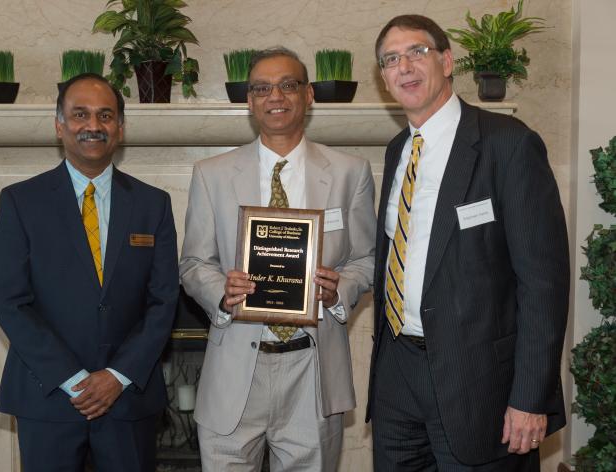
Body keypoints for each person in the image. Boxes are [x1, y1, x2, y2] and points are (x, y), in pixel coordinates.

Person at [366, 14, 570, 471]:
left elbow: (543, 283)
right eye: (391, 59)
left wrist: (530, 397)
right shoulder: (398, 150)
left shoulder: (508, 145)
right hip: (398, 375)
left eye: (417, 52)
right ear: (384, 78)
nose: (405, 67)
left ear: (446, 60)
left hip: (481, 386)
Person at [179, 47, 376, 471]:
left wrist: (339, 289)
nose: (276, 96)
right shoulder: (211, 174)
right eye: (262, 88)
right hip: (234, 368)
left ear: (308, 95)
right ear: (249, 101)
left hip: (314, 366)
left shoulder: (349, 172)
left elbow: (367, 257)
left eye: (288, 85)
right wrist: (223, 292)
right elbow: (194, 263)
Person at [0, 73, 179, 472]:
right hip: (48, 397)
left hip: (128, 399)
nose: (93, 126)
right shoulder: (20, 202)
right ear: (60, 125)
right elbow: (11, 303)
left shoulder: (153, 205)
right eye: (80, 114)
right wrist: (74, 378)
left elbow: (164, 301)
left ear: (120, 129)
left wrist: (117, 375)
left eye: (105, 115)